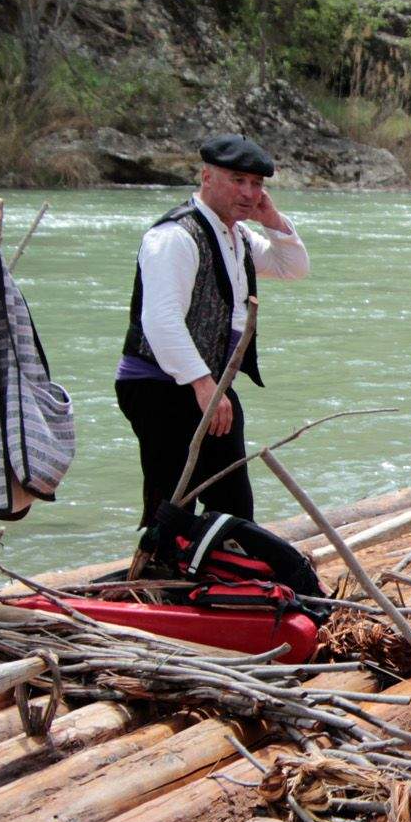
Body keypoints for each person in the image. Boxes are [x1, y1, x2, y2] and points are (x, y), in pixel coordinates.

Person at [116, 135, 308, 529]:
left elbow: (293, 267)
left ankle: (215, 576)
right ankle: (159, 575)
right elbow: (161, 321)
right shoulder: (175, 236)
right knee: (172, 502)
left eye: (256, 184)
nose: (249, 193)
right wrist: (203, 385)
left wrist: (272, 220)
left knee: (233, 505)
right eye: (238, 180)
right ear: (207, 177)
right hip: (161, 385)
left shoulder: (236, 236)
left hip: (209, 386)